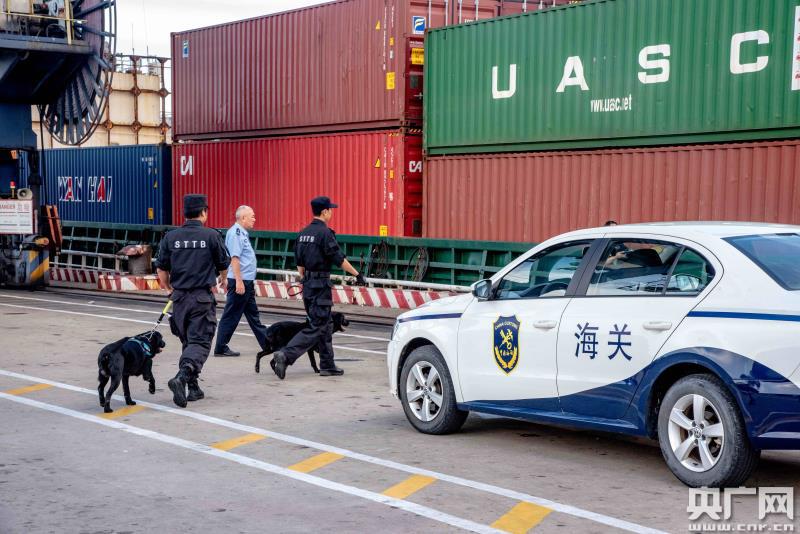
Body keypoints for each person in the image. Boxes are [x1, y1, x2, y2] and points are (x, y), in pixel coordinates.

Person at [272, 196, 366, 379]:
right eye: (330, 209)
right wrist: (357, 274)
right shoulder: (325, 233)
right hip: (320, 286)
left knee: (325, 324)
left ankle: (327, 365)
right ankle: (285, 355)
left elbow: (299, 264)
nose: (332, 212)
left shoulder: (302, 233)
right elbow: (339, 259)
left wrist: (306, 279)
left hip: (307, 285)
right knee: (317, 326)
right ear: (325, 212)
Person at [155, 194, 230, 408]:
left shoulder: (171, 237)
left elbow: (161, 268)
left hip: (179, 300)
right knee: (200, 342)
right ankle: (181, 377)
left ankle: (193, 388)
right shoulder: (211, 235)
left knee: (188, 342)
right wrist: (223, 279)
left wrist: (168, 289)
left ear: (184, 213)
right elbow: (223, 264)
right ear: (204, 212)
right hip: (201, 299)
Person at [213, 205, 270, 357]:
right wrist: (238, 281)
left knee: (253, 315)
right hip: (241, 281)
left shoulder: (241, 232)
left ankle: (267, 343)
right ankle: (220, 347)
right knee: (231, 315)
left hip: (246, 281)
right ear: (243, 218)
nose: (254, 219)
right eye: (252, 216)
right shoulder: (236, 233)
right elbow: (235, 258)